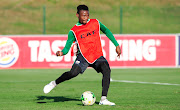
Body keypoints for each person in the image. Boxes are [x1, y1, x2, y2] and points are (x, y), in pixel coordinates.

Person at [43, 4, 121, 106]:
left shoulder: (95, 22)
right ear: (77, 15)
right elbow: (67, 48)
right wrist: (61, 52)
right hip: (83, 56)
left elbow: (106, 31)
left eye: (87, 15)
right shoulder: (73, 31)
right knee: (72, 73)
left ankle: (103, 99)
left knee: (106, 69)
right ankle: (54, 83)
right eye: (83, 15)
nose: (85, 17)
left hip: (97, 55)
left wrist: (116, 44)